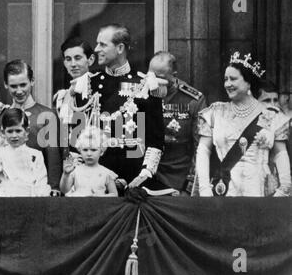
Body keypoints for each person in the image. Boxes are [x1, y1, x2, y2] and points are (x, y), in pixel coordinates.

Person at [74, 23, 166, 194]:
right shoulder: (88, 84)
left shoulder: (145, 84)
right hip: (96, 181)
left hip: (134, 179)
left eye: (102, 44)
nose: (96, 49)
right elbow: (77, 137)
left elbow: (156, 139)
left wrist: (145, 173)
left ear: (120, 48)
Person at [194, 52, 291, 197]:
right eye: (225, 79)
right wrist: (204, 190)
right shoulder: (216, 112)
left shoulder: (271, 115)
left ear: (248, 83)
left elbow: (280, 155)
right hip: (224, 192)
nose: (227, 84)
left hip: (260, 195)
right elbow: (203, 152)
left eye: (233, 79)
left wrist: (284, 189)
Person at [0, 60, 62, 196]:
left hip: (37, 190)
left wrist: (54, 187)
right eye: (13, 86)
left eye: (23, 85)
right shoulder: (1, 116)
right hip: (8, 190)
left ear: (32, 81)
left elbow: (54, 157)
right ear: (5, 84)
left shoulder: (46, 115)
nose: (19, 91)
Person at [148, 51, 207, 195]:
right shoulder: (142, 93)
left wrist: (189, 185)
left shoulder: (193, 100)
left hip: (178, 178)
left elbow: (200, 147)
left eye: (160, 77)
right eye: (151, 75)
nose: (154, 81)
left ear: (174, 75)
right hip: (148, 176)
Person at [0, 108, 51, 197]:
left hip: (31, 200)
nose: (14, 136)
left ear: (26, 131)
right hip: (7, 199)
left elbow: (41, 182)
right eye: (10, 131)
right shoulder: (1, 153)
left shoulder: (35, 155)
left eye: (18, 131)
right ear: (3, 133)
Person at [54, 37, 96, 159]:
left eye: (78, 58)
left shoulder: (99, 92)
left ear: (91, 59)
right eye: (68, 59)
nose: (73, 64)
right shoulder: (62, 96)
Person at [60, 126, 118, 196]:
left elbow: (114, 194)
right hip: (78, 205)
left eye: (93, 150)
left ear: (101, 151)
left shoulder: (106, 173)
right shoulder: (75, 170)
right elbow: (64, 190)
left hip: (99, 205)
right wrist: (66, 175)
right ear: (79, 150)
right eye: (85, 150)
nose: (89, 154)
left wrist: (102, 196)